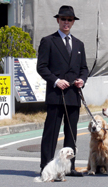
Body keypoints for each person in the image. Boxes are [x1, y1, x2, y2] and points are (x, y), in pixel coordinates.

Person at [36, 5, 89, 177]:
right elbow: (41, 67)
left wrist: (82, 79)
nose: (66, 22)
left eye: (69, 20)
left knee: (71, 133)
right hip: (56, 96)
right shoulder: (48, 41)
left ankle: (69, 168)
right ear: (58, 20)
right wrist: (56, 81)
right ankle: (45, 167)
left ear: (73, 22)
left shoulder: (79, 44)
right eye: (63, 19)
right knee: (51, 133)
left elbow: (84, 68)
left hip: (73, 95)